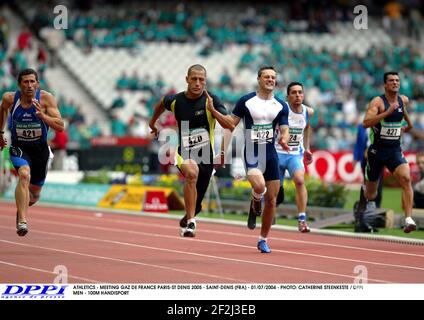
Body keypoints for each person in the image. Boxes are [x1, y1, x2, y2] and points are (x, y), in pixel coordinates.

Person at [148, 64, 234, 237]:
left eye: (201, 79)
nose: (197, 83)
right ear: (187, 79)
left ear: (205, 81)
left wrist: (213, 111)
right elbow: (160, 104)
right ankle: (191, 223)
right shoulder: (175, 101)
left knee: (197, 205)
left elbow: (230, 124)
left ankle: (188, 217)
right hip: (184, 153)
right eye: (193, 79)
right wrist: (152, 123)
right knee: (191, 173)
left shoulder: (213, 100)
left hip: (206, 156)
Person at [229, 66, 289, 253]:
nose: (270, 80)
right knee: (259, 187)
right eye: (266, 77)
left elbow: (285, 128)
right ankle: (256, 199)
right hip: (252, 152)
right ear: (259, 79)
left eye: (273, 77)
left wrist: (284, 139)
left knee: (272, 200)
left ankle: (263, 239)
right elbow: (231, 123)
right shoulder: (245, 101)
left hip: (270, 153)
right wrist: (215, 113)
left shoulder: (281, 105)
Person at [0, 68, 65, 236]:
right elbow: (3, 111)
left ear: (37, 83)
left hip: (40, 150)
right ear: (19, 85)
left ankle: (22, 208)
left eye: (32, 82)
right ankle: (22, 221)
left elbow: (60, 126)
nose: (29, 85)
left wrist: (43, 116)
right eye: (25, 82)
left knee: (34, 195)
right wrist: (0, 133)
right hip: (19, 147)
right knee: (24, 175)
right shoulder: (10, 98)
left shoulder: (46, 99)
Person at [358, 71, 416, 233]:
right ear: (385, 84)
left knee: (406, 178)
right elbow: (365, 123)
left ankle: (408, 219)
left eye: (397, 80)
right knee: (372, 193)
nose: (395, 83)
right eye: (391, 80)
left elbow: (404, 113)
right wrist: (387, 113)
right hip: (377, 152)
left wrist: (408, 127)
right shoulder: (378, 102)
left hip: (394, 151)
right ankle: (363, 202)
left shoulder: (402, 100)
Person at [274, 82, 313, 233]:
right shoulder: (281, 109)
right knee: (275, 190)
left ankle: (302, 219)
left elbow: (307, 127)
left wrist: (307, 148)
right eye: (294, 93)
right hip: (277, 153)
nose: (297, 95)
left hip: (295, 154)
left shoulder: (308, 111)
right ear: (288, 96)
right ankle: (271, 209)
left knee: (299, 180)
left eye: (300, 92)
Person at [352, 122, 384, 232]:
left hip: (378, 158)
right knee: (365, 186)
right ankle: (362, 216)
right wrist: (355, 158)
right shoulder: (361, 127)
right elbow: (358, 144)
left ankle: (373, 214)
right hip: (365, 160)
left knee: (376, 187)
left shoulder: (381, 124)